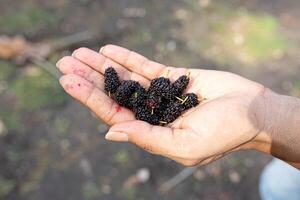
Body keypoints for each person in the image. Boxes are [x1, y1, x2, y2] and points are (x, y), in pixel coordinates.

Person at [56, 45, 300, 199]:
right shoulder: (149, 98)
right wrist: (267, 115)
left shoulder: (162, 100)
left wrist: (265, 118)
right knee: (280, 185)